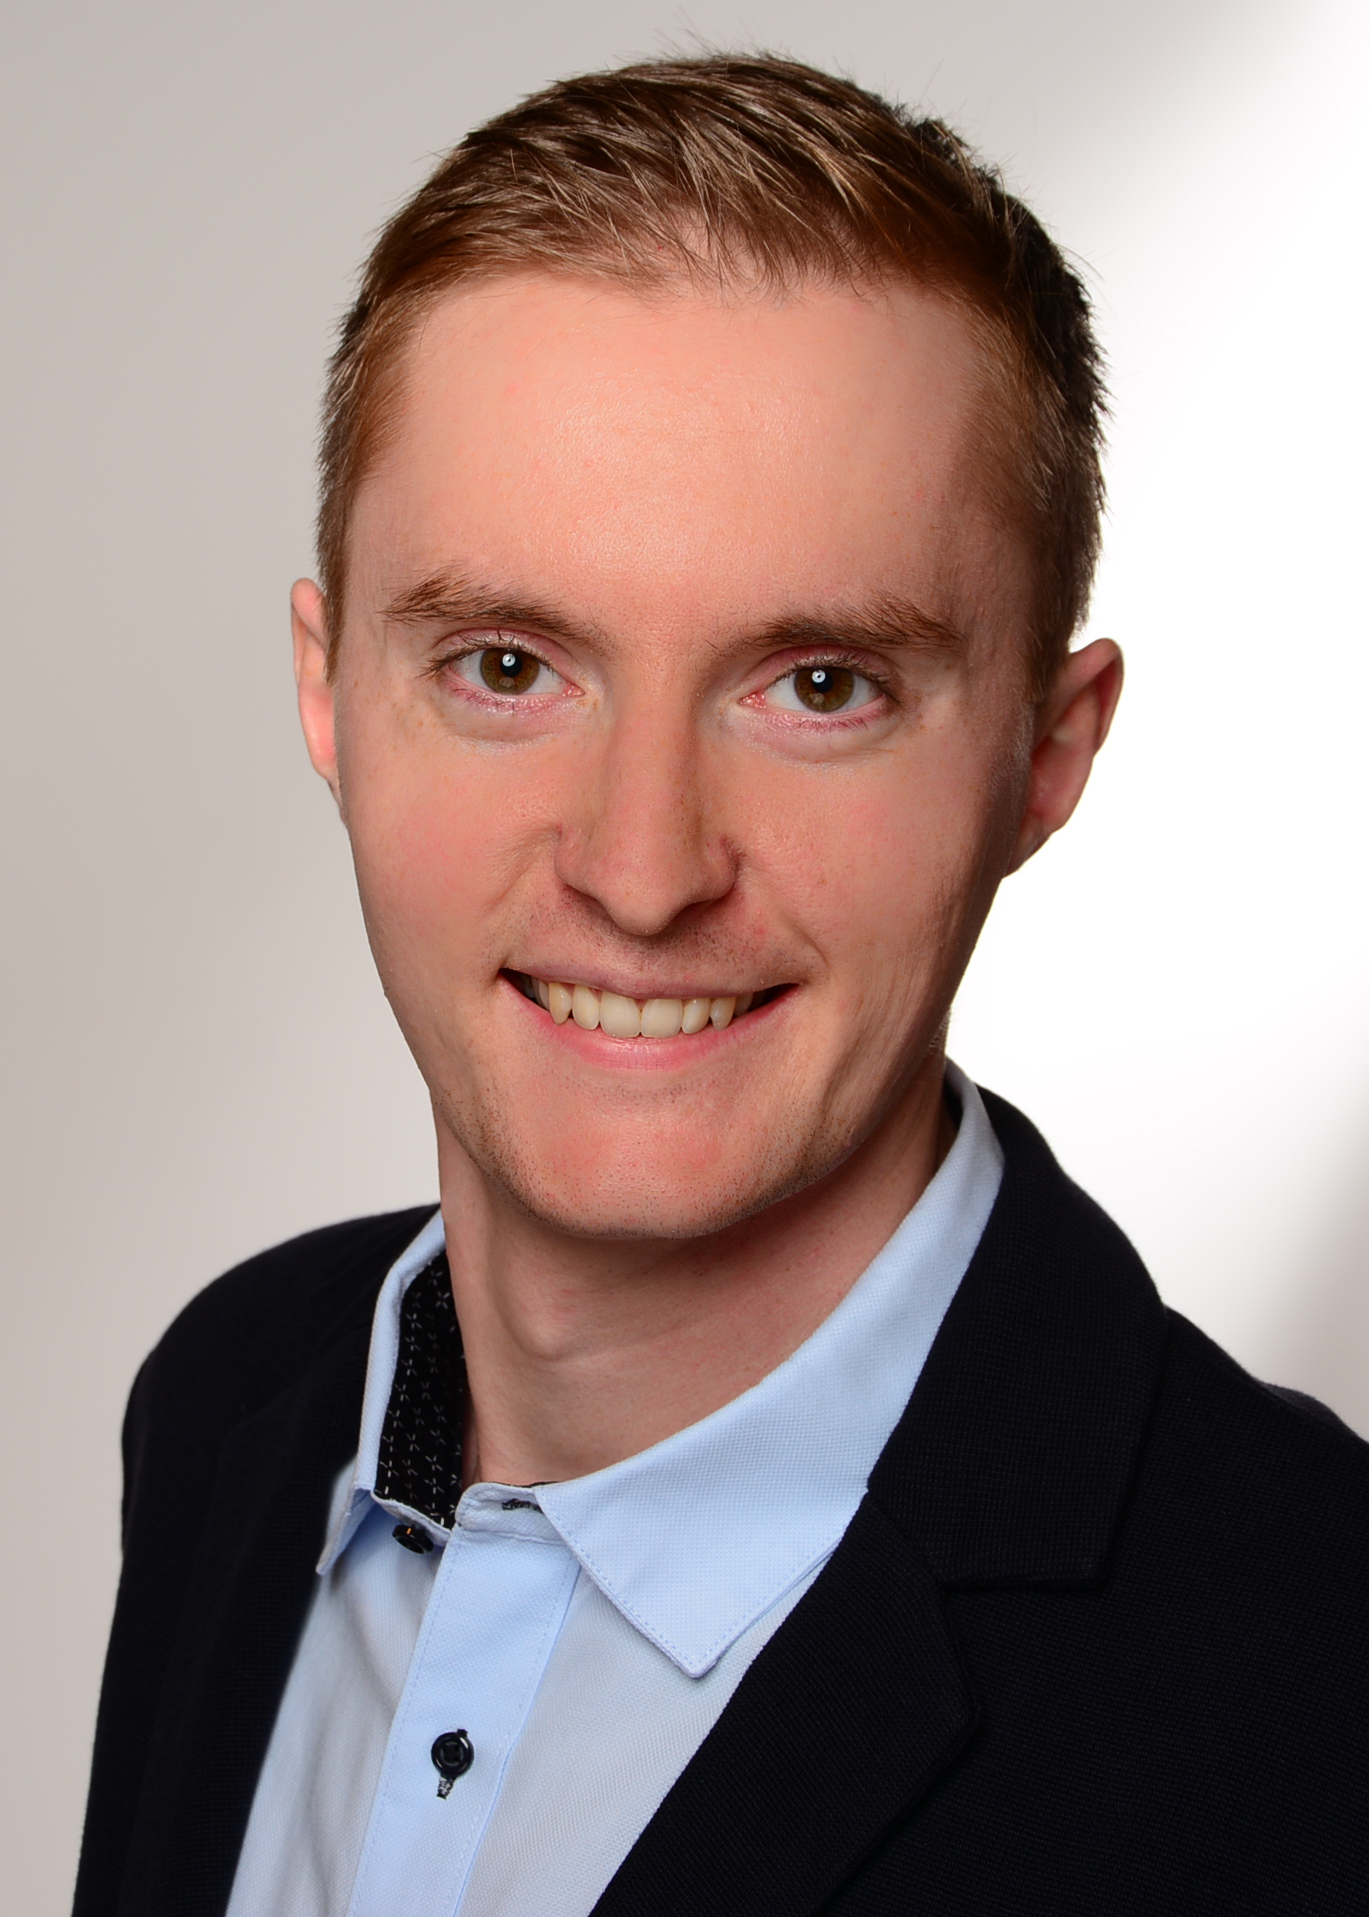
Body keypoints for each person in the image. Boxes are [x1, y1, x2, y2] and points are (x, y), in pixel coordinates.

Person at [73, 53, 1369, 1917]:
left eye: (821, 686)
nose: (643, 868)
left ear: (1046, 756)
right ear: (326, 690)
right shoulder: (231, 1404)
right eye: (507, 666)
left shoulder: (1318, 1679)